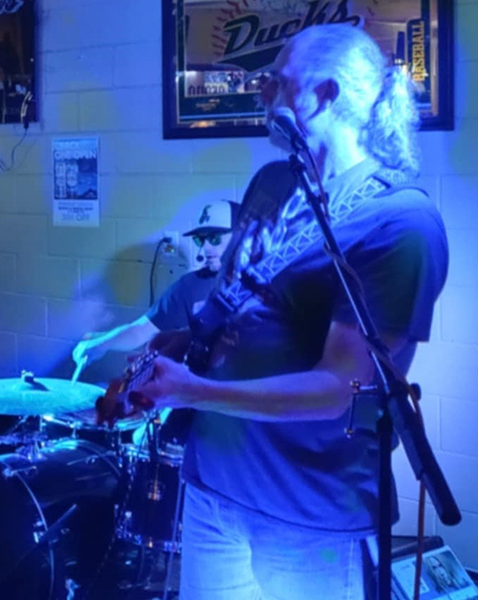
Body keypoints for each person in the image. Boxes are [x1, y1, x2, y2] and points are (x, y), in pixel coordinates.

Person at [112, 24, 448, 599]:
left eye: (276, 79)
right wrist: (186, 342)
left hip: (308, 514)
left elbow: (341, 388)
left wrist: (192, 391)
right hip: (213, 486)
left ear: (325, 95)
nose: (261, 90)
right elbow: (245, 310)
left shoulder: (400, 222)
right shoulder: (272, 181)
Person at [72, 200, 236, 366]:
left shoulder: (252, 288)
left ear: (240, 237)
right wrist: (102, 344)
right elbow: (141, 330)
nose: (206, 248)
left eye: (214, 238)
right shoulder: (189, 286)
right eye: (200, 240)